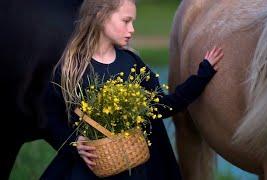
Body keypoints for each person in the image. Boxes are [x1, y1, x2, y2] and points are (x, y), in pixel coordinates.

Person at [40, 0, 224, 179]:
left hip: (135, 170)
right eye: (126, 21)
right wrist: (75, 143)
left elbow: (162, 106)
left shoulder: (131, 63)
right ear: (100, 16)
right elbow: (51, 117)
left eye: (133, 22)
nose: (132, 29)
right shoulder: (71, 67)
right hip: (89, 169)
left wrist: (203, 74)